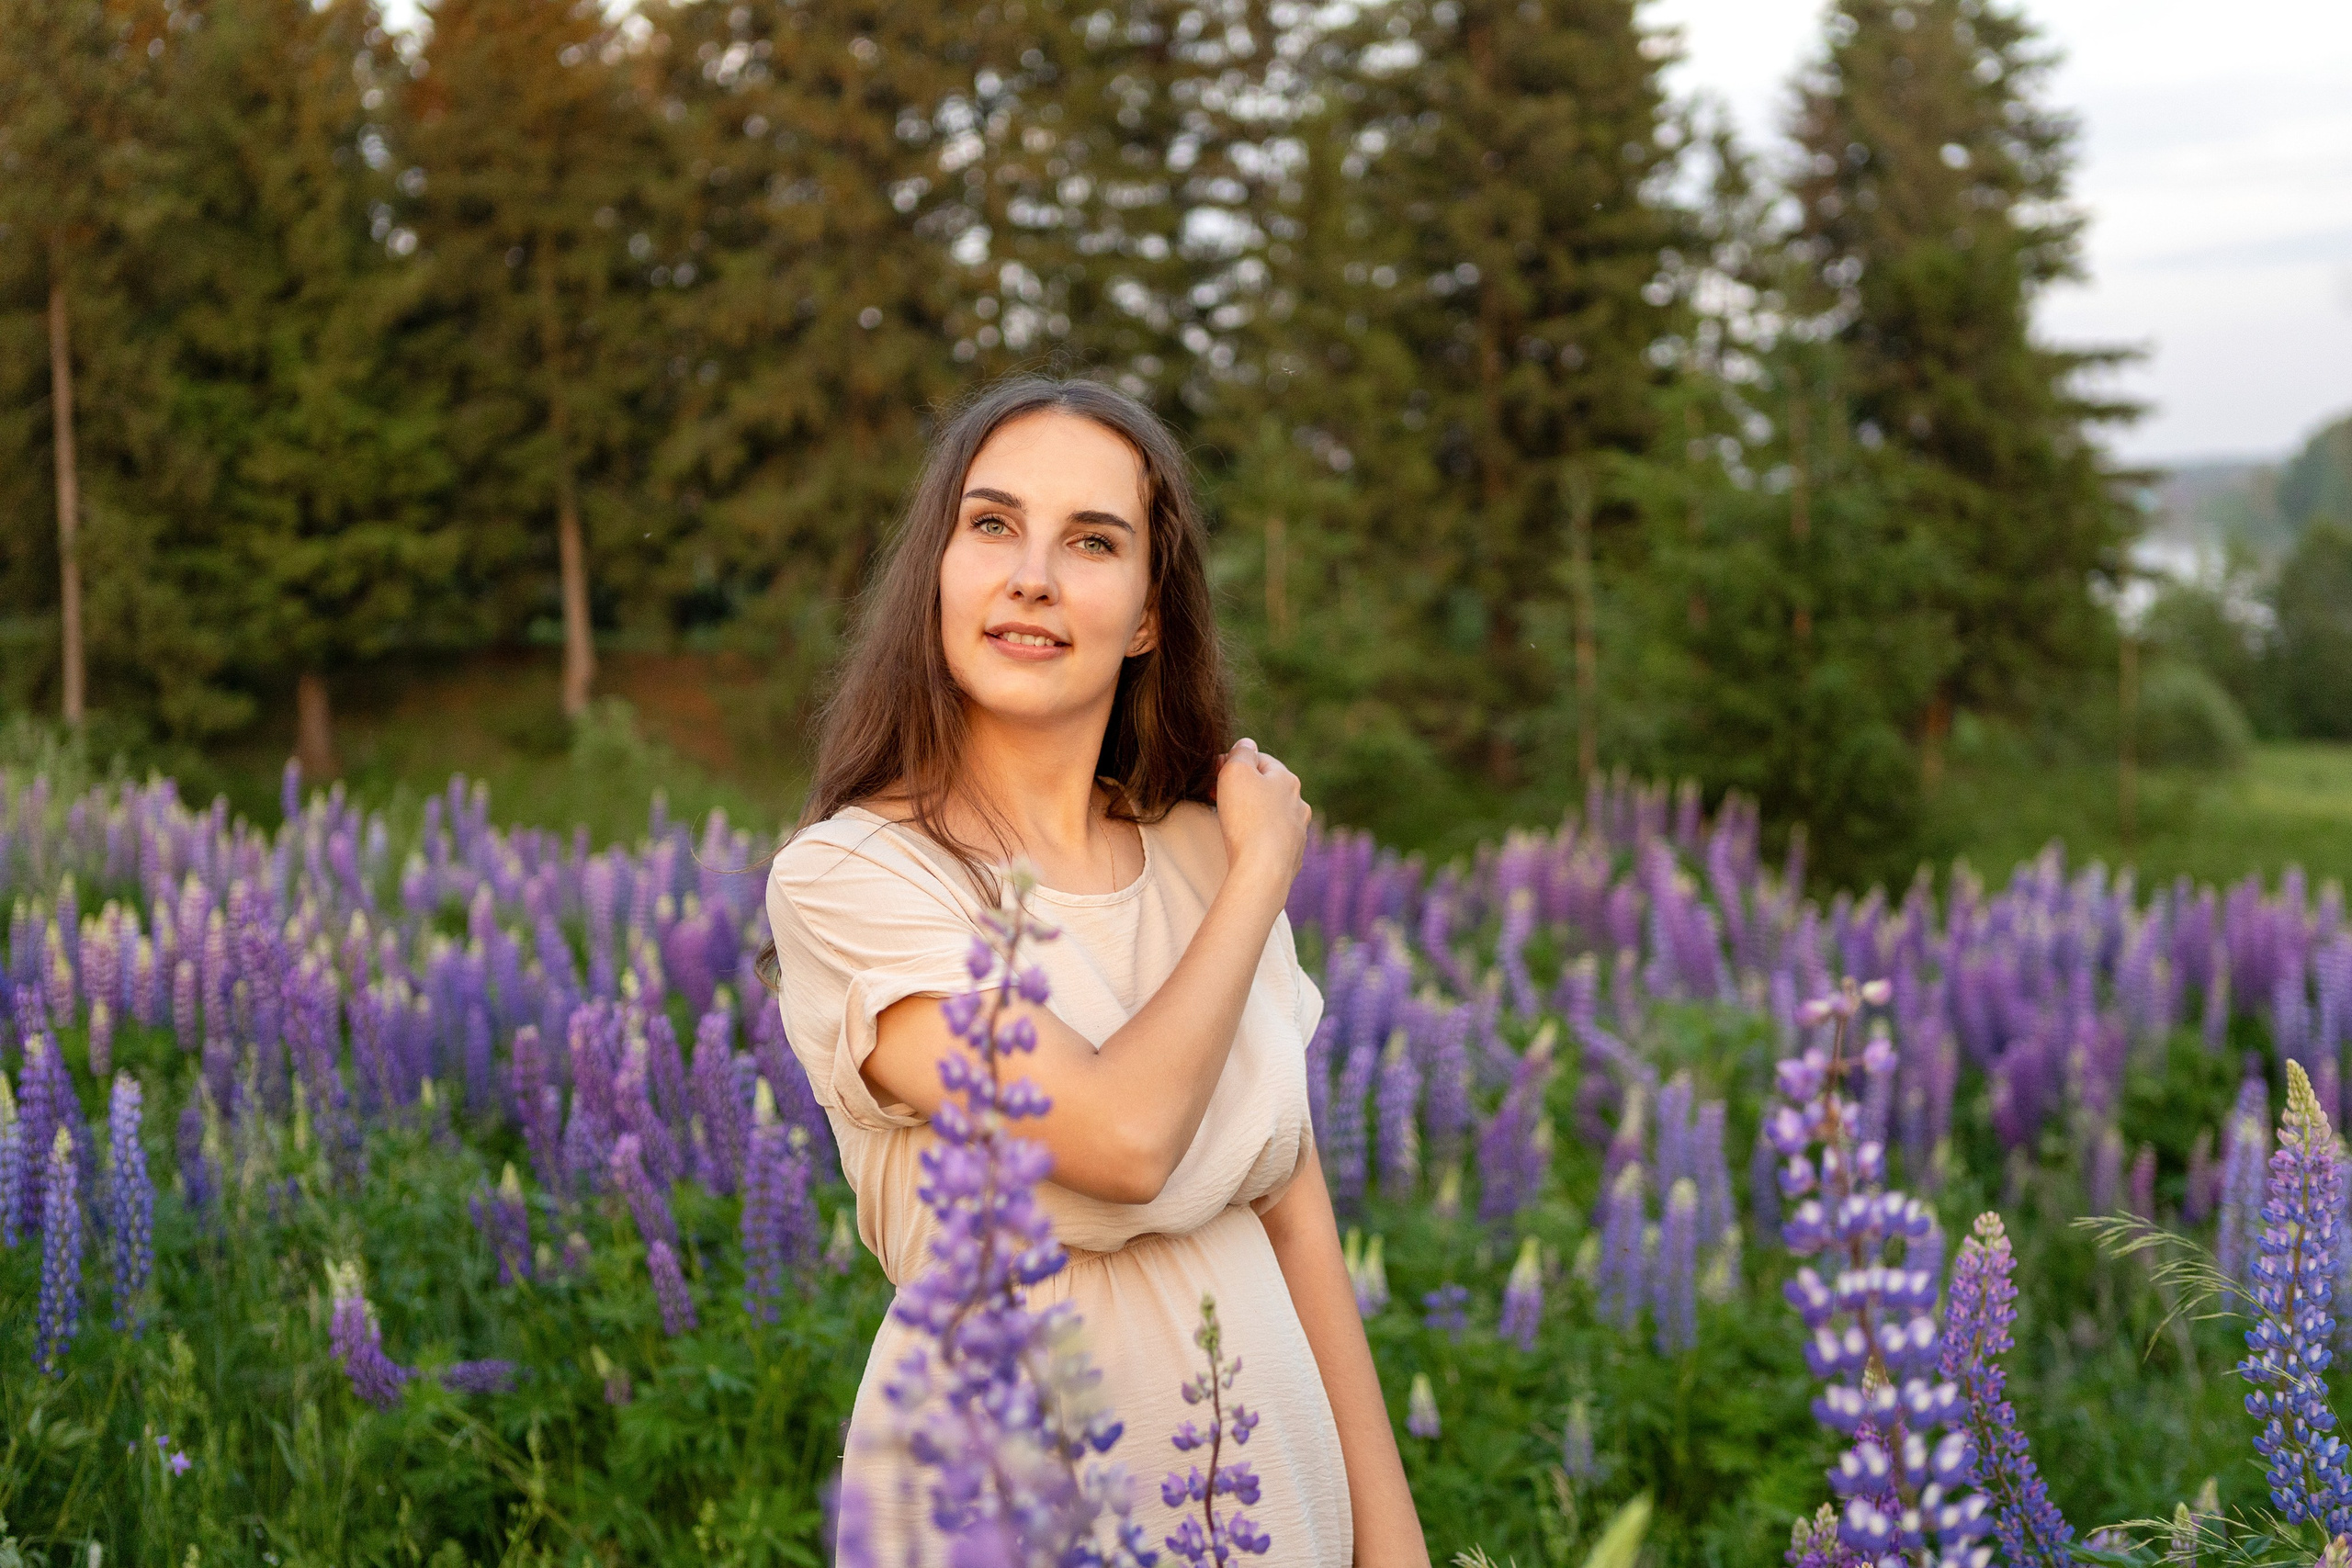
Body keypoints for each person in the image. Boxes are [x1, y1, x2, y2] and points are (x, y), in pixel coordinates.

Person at [763, 373, 1429, 1565]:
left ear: (1148, 613)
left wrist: (1394, 1551)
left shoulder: (1202, 850)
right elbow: (1123, 1142)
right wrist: (1261, 872)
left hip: (1276, 1503)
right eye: (992, 525)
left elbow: (1298, 1225)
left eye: (1092, 541)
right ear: (938, 574)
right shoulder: (856, 879)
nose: (1033, 575)